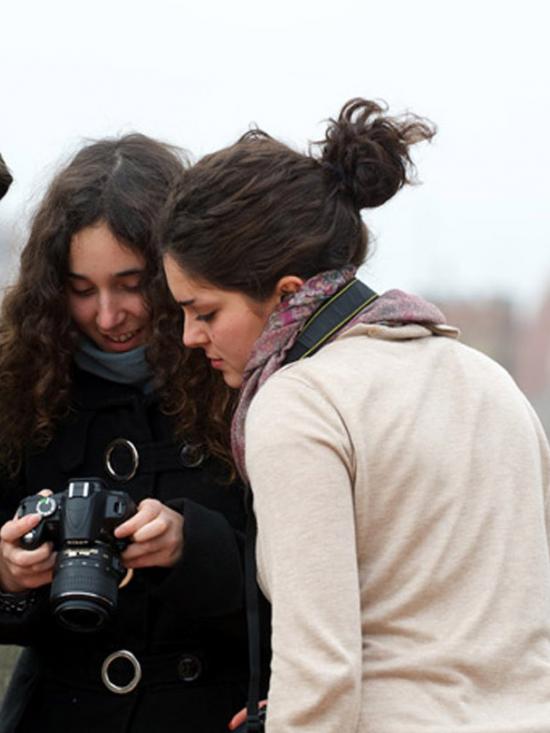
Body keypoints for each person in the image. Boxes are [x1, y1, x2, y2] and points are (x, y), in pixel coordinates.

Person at [160, 98, 550, 733]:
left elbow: (321, 672)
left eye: (204, 312)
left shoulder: (300, 404)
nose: (188, 336)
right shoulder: (488, 380)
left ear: (286, 294)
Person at [0, 134, 265, 733]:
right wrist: (7, 574)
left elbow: (313, 590)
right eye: (81, 289)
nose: (108, 315)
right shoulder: (17, 384)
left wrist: (191, 547)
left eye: (131, 283)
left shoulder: (249, 383)